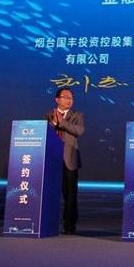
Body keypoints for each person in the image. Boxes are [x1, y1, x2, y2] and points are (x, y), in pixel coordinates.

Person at [45, 88, 85, 235]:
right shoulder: (48, 115)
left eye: (71, 98)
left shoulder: (77, 115)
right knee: (49, 191)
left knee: (70, 194)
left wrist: (61, 122)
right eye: (66, 97)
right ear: (57, 99)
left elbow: (79, 131)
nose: (69, 100)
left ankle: (69, 225)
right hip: (52, 158)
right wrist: (53, 123)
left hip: (69, 159)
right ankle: (48, 222)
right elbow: (45, 132)